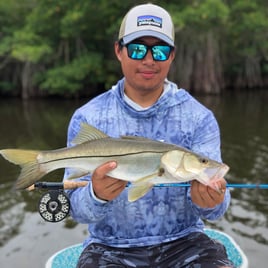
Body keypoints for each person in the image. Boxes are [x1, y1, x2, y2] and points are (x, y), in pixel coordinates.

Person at [64, 3, 234, 268]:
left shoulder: (199, 117)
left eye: (160, 50)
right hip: (109, 248)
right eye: (138, 48)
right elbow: (76, 209)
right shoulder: (88, 117)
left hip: (185, 242)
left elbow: (218, 207)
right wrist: (96, 195)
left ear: (172, 55)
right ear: (119, 51)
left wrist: (212, 202)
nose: (149, 59)